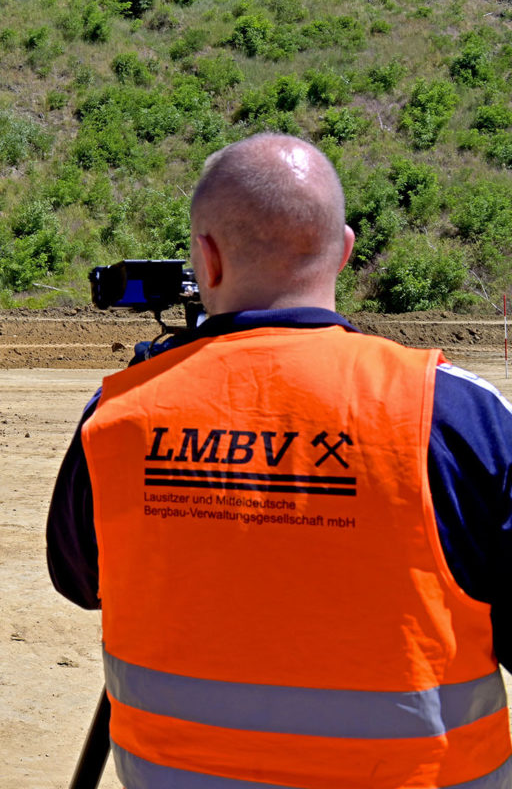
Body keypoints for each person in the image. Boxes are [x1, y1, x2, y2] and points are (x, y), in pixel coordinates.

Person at [47, 133, 512, 789]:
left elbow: (79, 579)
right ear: (344, 250)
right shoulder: (454, 412)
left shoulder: (120, 415)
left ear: (206, 259)